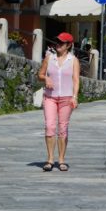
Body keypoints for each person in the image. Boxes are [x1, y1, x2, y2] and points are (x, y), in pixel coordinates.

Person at [38, 32, 80, 172]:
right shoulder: (49, 58)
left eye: (61, 43)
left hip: (66, 98)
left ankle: (61, 159)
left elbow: (76, 80)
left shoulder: (73, 60)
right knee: (50, 126)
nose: (58, 45)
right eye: (57, 42)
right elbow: (40, 74)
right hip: (50, 97)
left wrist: (75, 96)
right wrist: (46, 79)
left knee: (63, 128)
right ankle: (50, 159)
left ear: (68, 45)